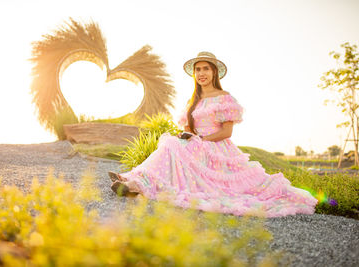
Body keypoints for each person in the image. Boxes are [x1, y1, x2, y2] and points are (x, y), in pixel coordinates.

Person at [108, 51, 318, 217]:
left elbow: (227, 131)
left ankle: (135, 181)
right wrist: (189, 137)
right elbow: (188, 129)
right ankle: (134, 181)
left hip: (216, 147)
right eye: (198, 69)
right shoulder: (193, 101)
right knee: (172, 144)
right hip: (196, 144)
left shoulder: (224, 98)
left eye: (206, 69)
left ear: (214, 72)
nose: (201, 73)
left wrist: (200, 141)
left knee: (171, 145)